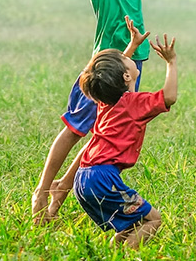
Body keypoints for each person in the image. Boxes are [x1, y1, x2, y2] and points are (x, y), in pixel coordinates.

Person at [32, 0, 188, 222]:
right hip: (104, 65)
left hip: (134, 60)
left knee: (105, 129)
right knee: (75, 129)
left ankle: (63, 189)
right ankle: (42, 190)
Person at [74, 32, 177, 249]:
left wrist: (132, 46)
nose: (127, 57)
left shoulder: (106, 100)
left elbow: (112, 75)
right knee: (153, 219)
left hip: (83, 178)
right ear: (126, 77)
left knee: (131, 225)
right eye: (126, 59)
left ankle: (113, 251)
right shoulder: (134, 103)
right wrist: (171, 62)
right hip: (104, 179)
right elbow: (169, 96)